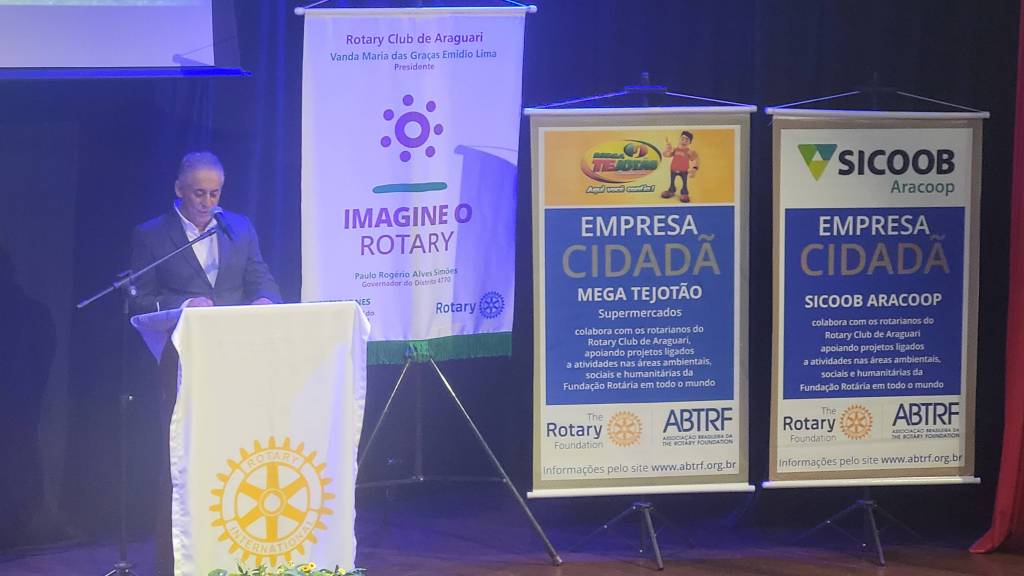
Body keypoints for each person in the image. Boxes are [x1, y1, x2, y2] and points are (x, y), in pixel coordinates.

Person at [129, 151, 281, 576]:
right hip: (183, 363)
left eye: (215, 194)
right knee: (187, 459)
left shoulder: (239, 228)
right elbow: (140, 299)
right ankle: (180, 557)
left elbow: (261, 277)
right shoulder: (151, 235)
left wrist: (265, 298)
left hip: (239, 359)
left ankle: (242, 548)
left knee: (238, 451)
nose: (207, 202)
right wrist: (184, 304)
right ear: (179, 190)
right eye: (199, 193)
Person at [661, 130, 701, 203]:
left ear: (690, 142)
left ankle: (684, 193)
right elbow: (666, 155)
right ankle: (671, 190)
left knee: (684, 183)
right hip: (673, 169)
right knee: (672, 181)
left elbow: (696, 159)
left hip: (684, 171)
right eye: (682, 139)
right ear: (679, 139)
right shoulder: (675, 149)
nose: (684, 141)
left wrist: (695, 168)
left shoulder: (689, 152)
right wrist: (667, 149)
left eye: (686, 140)